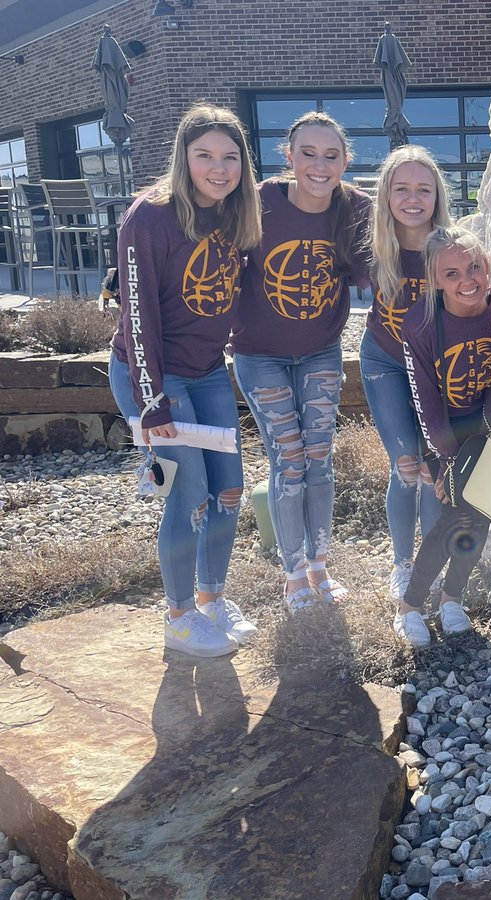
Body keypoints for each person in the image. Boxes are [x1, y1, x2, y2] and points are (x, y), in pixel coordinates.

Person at [108, 103, 262, 656]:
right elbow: (138, 315)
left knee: (228, 489)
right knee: (189, 493)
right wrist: (153, 403)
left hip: (207, 373)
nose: (218, 169)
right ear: (184, 157)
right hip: (154, 375)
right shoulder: (148, 218)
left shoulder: (235, 212)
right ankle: (177, 619)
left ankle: (210, 600)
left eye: (229, 157)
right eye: (204, 156)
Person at [230, 111, 373, 611]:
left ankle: (320, 566)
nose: (319, 164)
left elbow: (384, 265)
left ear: (345, 161)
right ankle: (293, 576)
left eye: (331, 155)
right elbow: (207, 243)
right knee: (287, 461)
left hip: (319, 352)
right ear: (288, 157)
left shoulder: (356, 208)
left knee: (320, 459)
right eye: (307, 153)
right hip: (260, 354)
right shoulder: (259, 200)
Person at [392, 226, 491, 646]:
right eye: (452, 273)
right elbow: (425, 401)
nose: (467, 280)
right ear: (435, 280)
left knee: (481, 515)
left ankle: (452, 597)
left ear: (487, 266)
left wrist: (489, 439)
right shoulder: (422, 326)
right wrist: (448, 460)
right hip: (447, 434)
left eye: (474, 267)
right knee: (455, 516)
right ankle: (411, 605)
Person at [360, 146, 454, 603]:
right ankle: (402, 564)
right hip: (386, 363)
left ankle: (431, 567)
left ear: (437, 196)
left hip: (438, 369)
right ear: (386, 195)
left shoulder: (452, 248)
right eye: (402, 188)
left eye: (424, 188)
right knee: (406, 467)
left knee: (435, 469)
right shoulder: (374, 245)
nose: (413, 198)